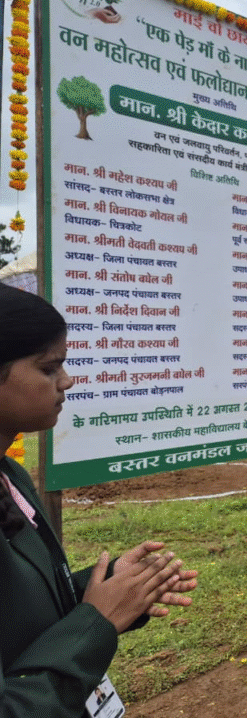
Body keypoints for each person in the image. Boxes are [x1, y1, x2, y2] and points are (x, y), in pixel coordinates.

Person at [0, 283, 198, 718]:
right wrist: (97, 621)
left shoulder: (10, 474)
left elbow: (19, 616)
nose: (67, 380)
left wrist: (112, 587)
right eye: (49, 368)